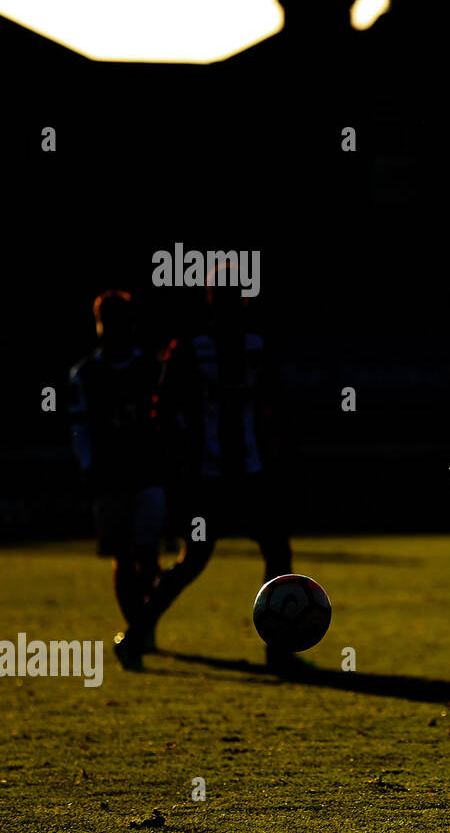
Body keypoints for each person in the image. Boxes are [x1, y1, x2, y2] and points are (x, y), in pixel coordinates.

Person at [149, 265, 298, 671]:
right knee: (200, 557)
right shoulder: (192, 348)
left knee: (272, 551)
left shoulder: (254, 346)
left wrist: (276, 454)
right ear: (215, 301)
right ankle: (140, 628)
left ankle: (278, 647)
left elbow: (275, 405)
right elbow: (163, 407)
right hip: (210, 476)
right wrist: (179, 456)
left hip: (246, 474)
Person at [67, 291, 167, 670]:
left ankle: (143, 625)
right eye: (104, 322)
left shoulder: (152, 368)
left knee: (147, 555)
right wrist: (88, 465)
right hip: (110, 477)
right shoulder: (86, 374)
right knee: (122, 557)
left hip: (148, 474)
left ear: (130, 325)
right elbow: (79, 426)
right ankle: (136, 627)